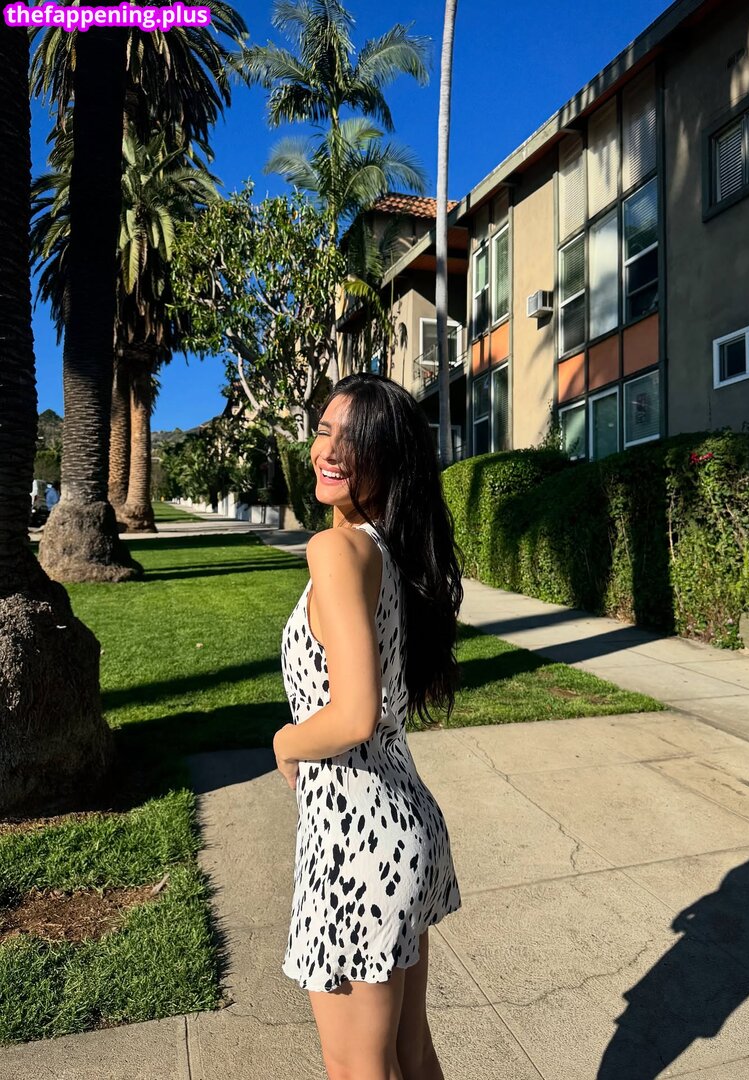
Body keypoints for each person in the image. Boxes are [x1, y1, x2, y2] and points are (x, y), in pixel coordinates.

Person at [273, 372, 464, 1080]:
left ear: (389, 459)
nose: (329, 450)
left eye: (354, 440)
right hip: (401, 827)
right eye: (325, 430)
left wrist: (285, 741)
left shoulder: (337, 551)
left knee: (359, 1068)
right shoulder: (390, 553)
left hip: (355, 844)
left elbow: (354, 714)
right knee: (410, 1058)